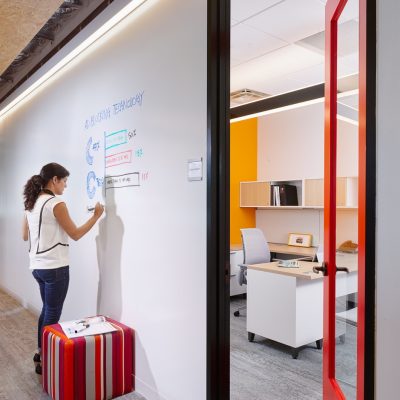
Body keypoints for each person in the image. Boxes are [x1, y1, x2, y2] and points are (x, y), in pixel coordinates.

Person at [22, 162, 104, 375]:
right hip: (55, 268)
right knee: (52, 314)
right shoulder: (56, 203)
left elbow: (24, 236)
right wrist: (95, 216)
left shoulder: (31, 203)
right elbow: (75, 234)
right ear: (54, 180)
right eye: (64, 181)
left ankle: (40, 351)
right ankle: (47, 359)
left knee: (46, 310)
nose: (65, 186)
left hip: (37, 267)